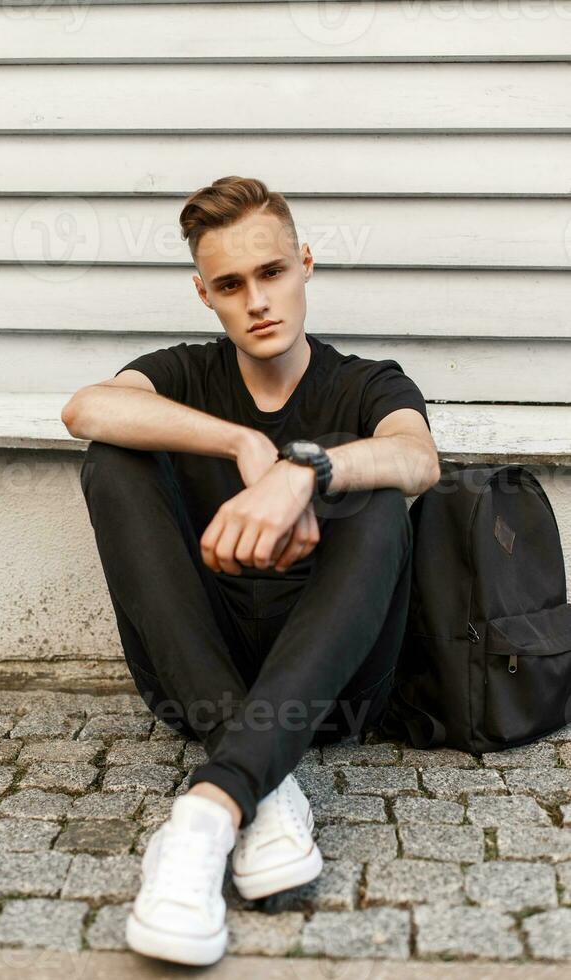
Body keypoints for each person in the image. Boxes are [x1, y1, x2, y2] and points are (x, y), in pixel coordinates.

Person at [61, 175, 440, 966]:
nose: (257, 300)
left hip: (337, 687)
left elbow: (416, 457)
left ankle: (208, 810)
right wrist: (240, 444)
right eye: (231, 285)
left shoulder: (367, 382)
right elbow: (86, 408)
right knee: (112, 464)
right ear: (205, 294)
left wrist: (304, 470)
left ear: (304, 264)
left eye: (271, 273)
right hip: (199, 677)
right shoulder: (187, 374)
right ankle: (265, 780)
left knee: (370, 491)